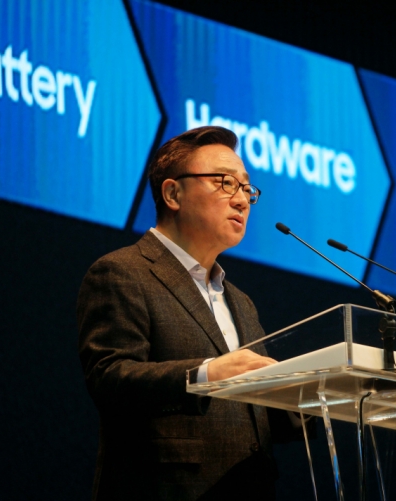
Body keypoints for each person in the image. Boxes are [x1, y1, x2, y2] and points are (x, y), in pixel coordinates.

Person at [77, 126, 281, 500]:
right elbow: (110, 379)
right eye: (226, 183)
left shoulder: (242, 302)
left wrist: (313, 394)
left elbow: (258, 414)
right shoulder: (122, 272)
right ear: (173, 194)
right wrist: (206, 374)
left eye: (246, 188)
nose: (242, 200)